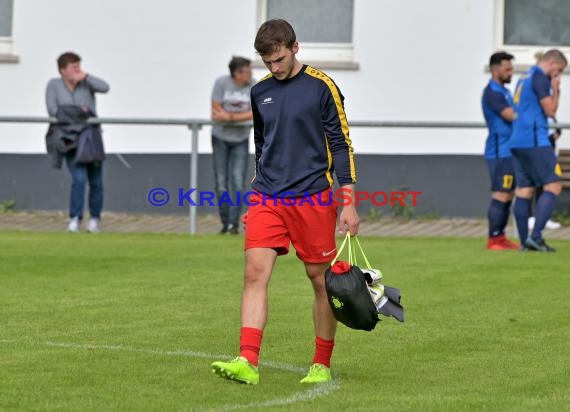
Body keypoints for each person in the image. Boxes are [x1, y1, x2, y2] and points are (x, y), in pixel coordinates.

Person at [211, 19, 359, 385]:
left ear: (295, 47)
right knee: (253, 273)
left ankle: (321, 364)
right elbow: (262, 146)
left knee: (320, 280)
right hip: (267, 196)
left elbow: (341, 145)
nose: (274, 68)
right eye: (267, 62)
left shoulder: (322, 86)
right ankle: (247, 360)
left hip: (313, 196)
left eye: (278, 59)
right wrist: (254, 193)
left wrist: (349, 202)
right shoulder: (260, 92)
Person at [46, 52, 110, 233]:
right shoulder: (53, 85)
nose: (77, 71)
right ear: (62, 71)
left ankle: (95, 219)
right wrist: (81, 112)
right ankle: (75, 218)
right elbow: (53, 110)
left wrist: (87, 77)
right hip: (69, 140)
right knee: (79, 179)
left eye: (78, 67)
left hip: (90, 138)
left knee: (96, 181)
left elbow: (105, 88)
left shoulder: (86, 83)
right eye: (73, 68)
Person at [510, 49, 567, 251]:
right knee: (553, 186)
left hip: (517, 140)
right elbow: (550, 110)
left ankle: (525, 242)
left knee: (524, 190)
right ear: (552, 63)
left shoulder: (524, 77)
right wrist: (556, 89)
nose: (557, 75)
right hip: (534, 140)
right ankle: (536, 236)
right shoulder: (541, 78)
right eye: (558, 71)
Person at [211, 57, 255, 234]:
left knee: (237, 182)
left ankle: (233, 225)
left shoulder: (254, 86)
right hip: (219, 138)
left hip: (241, 140)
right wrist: (242, 116)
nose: (251, 74)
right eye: (248, 71)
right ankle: (225, 222)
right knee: (221, 182)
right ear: (237, 73)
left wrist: (229, 117)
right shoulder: (221, 83)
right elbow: (215, 112)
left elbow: (255, 112)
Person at [481, 52, 519, 250]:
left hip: (509, 150)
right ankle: (493, 239)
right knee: (500, 194)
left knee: (508, 194)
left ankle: (501, 237)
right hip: (499, 151)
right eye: (508, 69)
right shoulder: (492, 93)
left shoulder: (504, 91)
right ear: (496, 70)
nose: (511, 72)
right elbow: (511, 115)